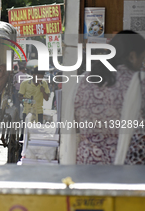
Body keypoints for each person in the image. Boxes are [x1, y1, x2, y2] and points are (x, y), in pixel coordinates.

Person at [62, 30, 145, 165]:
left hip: (85, 163)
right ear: (132, 56)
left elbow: (75, 126)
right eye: (142, 59)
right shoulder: (139, 82)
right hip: (123, 167)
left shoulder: (82, 81)